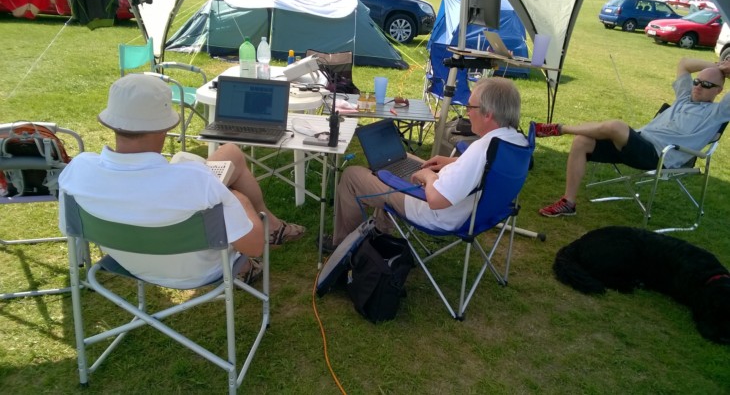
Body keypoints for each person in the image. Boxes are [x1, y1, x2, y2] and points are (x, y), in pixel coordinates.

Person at [58, 74, 304, 288]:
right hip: (203, 271)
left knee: (230, 152)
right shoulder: (195, 180)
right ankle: (249, 261)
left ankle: (272, 226)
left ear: (112, 122)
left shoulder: (78, 171)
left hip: (130, 261)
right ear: (164, 127)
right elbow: (254, 246)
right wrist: (239, 200)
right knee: (234, 198)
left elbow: (69, 228)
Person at [324, 77, 528, 250]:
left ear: (488, 114)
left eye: (470, 107)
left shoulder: (481, 149)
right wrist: (453, 162)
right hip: (467, 208)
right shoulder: (514, 141)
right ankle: (380, 232)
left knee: (352, 175)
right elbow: (485, 170)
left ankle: (344, 247)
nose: (467, 112)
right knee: (400, 158)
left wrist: (429, 177)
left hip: (433, 211)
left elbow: (436, 200)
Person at [537, 57, 730, 217]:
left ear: (718, 91)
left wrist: (724, 71)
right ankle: (568, 202)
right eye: (697, 81)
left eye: (706, 84)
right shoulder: (684, 97)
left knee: (616, 126)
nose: (698, 86)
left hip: (658, 156)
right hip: (637, 142)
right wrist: (717, 67)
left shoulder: (718, 113)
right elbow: (684, 64)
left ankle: (559, 129)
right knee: (582, 141)